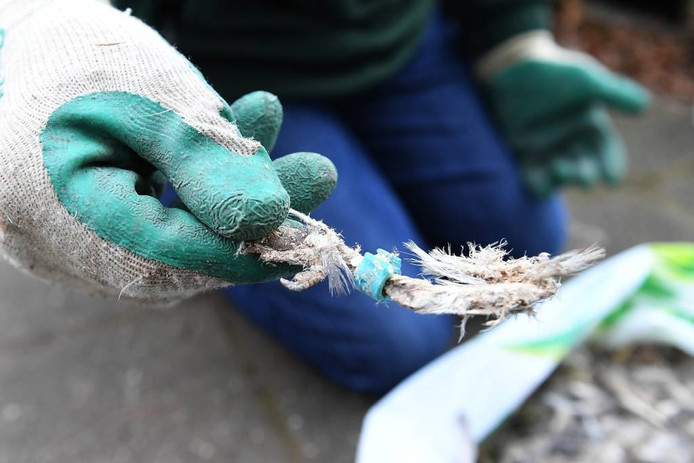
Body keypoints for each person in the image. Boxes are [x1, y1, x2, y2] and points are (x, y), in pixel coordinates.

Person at [0, 0, 648, 393]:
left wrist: (512, 39)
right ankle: (216, 235)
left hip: (401, 44)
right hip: (229, 70)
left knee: (528, 241)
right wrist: (47, 43)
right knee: (400, 345)